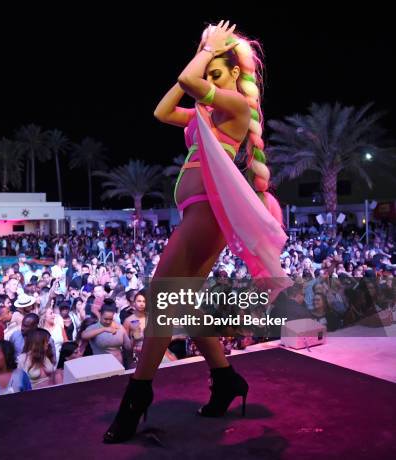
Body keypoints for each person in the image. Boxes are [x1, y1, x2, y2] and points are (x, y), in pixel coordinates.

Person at [104, 21, 290, 443]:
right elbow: (163, 111)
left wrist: (207, 48)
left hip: (208, 211)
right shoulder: (205, 111)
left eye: (216, 72)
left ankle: (136, 398)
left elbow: (189, 79)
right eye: (208, 71)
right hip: (197, 210)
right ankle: (226, 380)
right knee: (181, 304)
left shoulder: (236, 107)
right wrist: (206, 56)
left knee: (162, 295)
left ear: (235, 74)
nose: (208, 78)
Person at [81, 301, 131, 365]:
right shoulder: (94, 327)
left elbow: (128, 347)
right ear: (100, 315)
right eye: (105, 319)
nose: (108, 321)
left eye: (110, 319)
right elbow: (83, 335)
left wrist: (134, 337)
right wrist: (104, 329)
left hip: (119, 364)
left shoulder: (119, 327)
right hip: (102, 365)